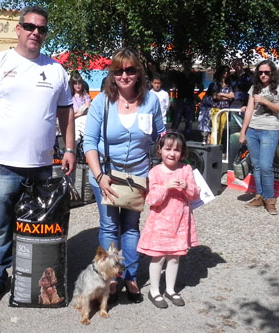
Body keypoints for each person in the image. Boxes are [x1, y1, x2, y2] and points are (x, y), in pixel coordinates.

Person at [0, 6, 75, 308]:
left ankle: (35, 276)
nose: (35, 32)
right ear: (18, 29)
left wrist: (69, 148)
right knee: (0, 227)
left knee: (38, 225)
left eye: (41, 28)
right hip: (3, 165)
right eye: (29, 26)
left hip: (41, 166)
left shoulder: (55, 70)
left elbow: (66, 111)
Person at [83, 47, 165, 305]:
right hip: (106, 174)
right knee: (109, 226)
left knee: (130, 227)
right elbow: (89, 142)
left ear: (138, 72)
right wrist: (99, 176)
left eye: (130, 70)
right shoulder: (102, 102)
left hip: (138, 175)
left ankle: (130, 276)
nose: (124, 75)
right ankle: (111, 278)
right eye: (118, 71)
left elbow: (160, 135)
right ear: (112, 74)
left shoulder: (151, 101)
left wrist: (166, 158)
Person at [137, 131, 199, 308]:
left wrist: (187, 186)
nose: (172, 153)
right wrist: (165, 187)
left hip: (180, 221)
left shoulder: (186, 169)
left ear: (183, 152)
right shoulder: (155, 172)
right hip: (160, 222)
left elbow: (195, 195)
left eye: (177, 150)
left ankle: (170, 289)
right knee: (158, 257)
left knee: (174, 257)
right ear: (160, 150)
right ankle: (154, 290)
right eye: (168, 148)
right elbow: (152, 200)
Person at [239, 59, 279, 215]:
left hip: (269, 130)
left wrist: (266, 102)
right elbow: (249, 111)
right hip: (253, 130)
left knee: (266, 166)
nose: (263, 75)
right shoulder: (255, 88)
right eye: (260, 72)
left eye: (266, 72)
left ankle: (270, 200)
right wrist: (243, 131)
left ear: (272, 72)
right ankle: (260, 196)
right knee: (257, 165)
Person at [198, 65, 234, 144]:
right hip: (215, 108)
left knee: (221, 129)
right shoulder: (214, 84)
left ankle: (218, 147)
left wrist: (221, 94)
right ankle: (213, 146)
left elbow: (232, 95)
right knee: (214, 129)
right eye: (224, 71)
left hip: (225, 109)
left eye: (227, 71)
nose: (226, 73)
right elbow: (215, 96)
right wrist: (226, 96)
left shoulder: (229, 85)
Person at [171, 59, 203, 138]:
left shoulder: (194, 76)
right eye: (186, 64)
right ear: (183, 65)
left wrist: (196, 94)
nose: (187, 66)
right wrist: (174, 100)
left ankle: (187, 139)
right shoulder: (179, 75)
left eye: (189, 64)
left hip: (190, 100)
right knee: (176, 121)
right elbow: (174, 88)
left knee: (189, 121)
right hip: (180, 100)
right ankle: (171, 137)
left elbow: (201, 87)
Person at [70, 72, 91, 141]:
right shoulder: (70, 97)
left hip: (84, 120)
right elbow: (70, 114)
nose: (78, 86)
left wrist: (76, 112)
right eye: (75, 84)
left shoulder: (85, 95)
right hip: (73, 122)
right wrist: (80, 112)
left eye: (79, 84)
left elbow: (87, 107)